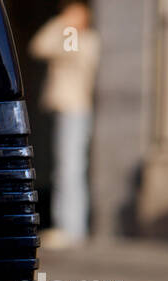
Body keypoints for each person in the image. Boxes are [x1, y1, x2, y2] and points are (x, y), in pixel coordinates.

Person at [30, 2, 100, 246]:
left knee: (70, 168)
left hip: (75, 111)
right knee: (65, 167)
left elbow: (53, 49)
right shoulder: (65, 39)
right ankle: (69, 226)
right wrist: (61, 24)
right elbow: (38, 46)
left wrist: (64, 26)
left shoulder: (87, 41)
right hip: (64, 111)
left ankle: (70, 227)